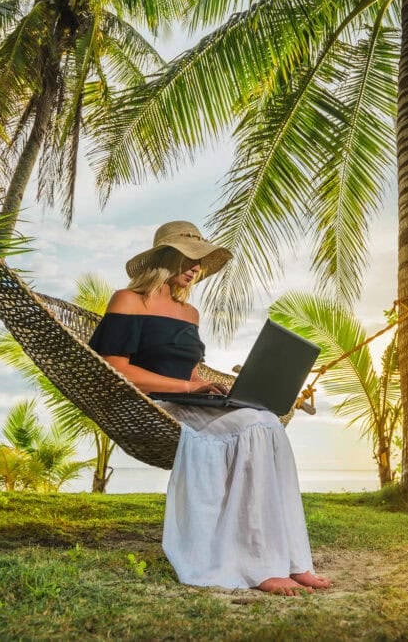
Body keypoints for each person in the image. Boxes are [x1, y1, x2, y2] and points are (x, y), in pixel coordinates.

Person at [88, 221, 331, 596]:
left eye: (199, 262)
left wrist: (209, 390)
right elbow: (114, 369)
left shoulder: (190, 314)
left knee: (267, 420)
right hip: (153, 406)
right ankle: (260, 563)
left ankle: (295, 560)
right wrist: (187, 386)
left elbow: (189, 370)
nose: (195, 268)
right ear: (164, 258)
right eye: (189, 258)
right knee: (253, 428)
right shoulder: (128, 300)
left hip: (191, 400)